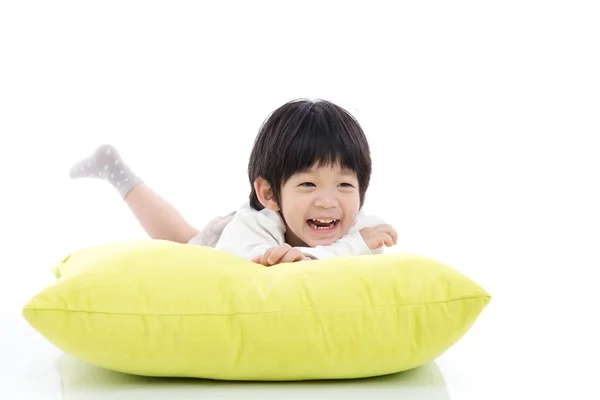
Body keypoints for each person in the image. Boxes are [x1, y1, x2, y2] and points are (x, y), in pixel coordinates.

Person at [69, 98, 398, 266]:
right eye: (308, 185)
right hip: (225, 239)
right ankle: (116, 170)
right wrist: (345, 250)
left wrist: (346, 247)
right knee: (181, 243)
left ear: (362, 193)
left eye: (344, 186)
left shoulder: (366, 231)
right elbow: (253, 279)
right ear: (269, 193)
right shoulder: (248, 233)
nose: (328, 201)